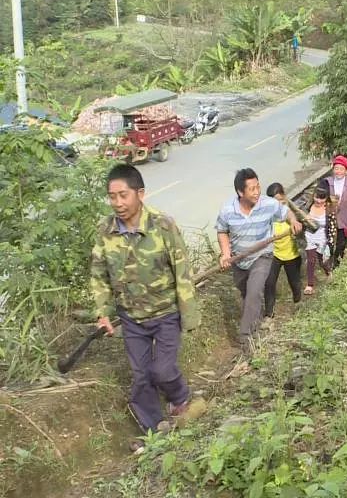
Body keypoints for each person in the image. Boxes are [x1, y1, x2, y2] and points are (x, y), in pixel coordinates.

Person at [90, 164, 200, 450]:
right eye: (111, 196)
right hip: (131, 319)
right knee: (141, 377)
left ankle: (181, 398)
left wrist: (189, 315)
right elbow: (99, 275)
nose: (117, 203)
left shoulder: (163, 225)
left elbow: (182, 271)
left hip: (165, 314)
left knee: (162, 370)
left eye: (123, 195)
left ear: (140, 194)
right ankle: (155, 430)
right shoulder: (106, 230)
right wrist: (102, 312)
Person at [215, 168, 302, 352]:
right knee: (247, 294)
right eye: (252, 189)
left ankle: (245, 338)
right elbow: (222, 231)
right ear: (240, 192)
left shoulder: (268, 204)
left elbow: (286, 212)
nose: (256, 192)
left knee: (254, 292)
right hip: (240, 260)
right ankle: (253, 324)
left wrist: (293, 222)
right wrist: (225, 253)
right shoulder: (228, 210)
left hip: (263, 255)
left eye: (258, 187)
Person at [263, 182, 302, 317]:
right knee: (269, 283)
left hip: (291, 253)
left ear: (284, 197)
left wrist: (295, 224)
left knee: (295, 281)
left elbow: (291, 216)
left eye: (280, 200)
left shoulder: (288, 212)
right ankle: (269, 314)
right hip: (274, 253)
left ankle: (298, 303)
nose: (278, 204)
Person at [303, 182, 335, 295]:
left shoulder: (329, 209)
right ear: (313, 195)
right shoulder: (308, 206)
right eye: (317, 197)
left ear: (326, 199)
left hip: (323, 238)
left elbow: (332, 228)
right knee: (311, 260)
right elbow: (300, 218)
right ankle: (310, 285)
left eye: (322, 198)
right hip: (310, 236)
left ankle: (328, 271)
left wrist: (329, 243)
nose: (318, 201)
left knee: (323, 261)